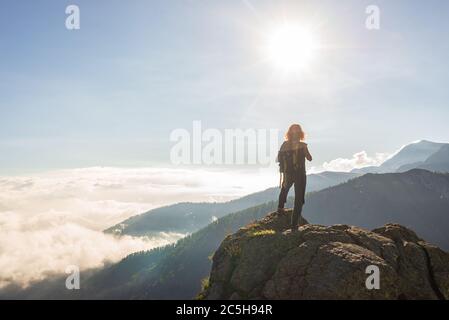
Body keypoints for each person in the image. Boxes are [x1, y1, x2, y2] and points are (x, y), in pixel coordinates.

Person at [277, 124, 312, 231]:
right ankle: (294, 224)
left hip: (288, 173)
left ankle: (280, 209)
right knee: (299, 198)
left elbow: (279, 159)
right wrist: (304, 149)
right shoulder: (303, 145)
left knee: (285, 189)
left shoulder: (284, 145)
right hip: (300, 173)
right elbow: (309, 158)